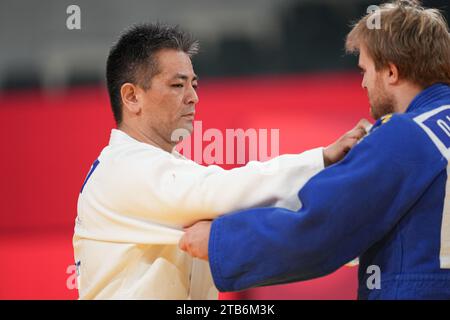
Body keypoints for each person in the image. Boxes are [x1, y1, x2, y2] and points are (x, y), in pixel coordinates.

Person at [73, 23, 368, 299]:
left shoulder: (170, 169)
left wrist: (350, 237)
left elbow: (252, 215)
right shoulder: (125, 171)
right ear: (132, 97)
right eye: (177, 86)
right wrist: (322, 159)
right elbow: (228, 192)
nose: (193, 98)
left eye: (194, 85)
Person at [179, 0, 450, 299]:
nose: (362, 83)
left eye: (365, 69)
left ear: (391, 72)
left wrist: (221, 241)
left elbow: (319, 229)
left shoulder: (404, 136)